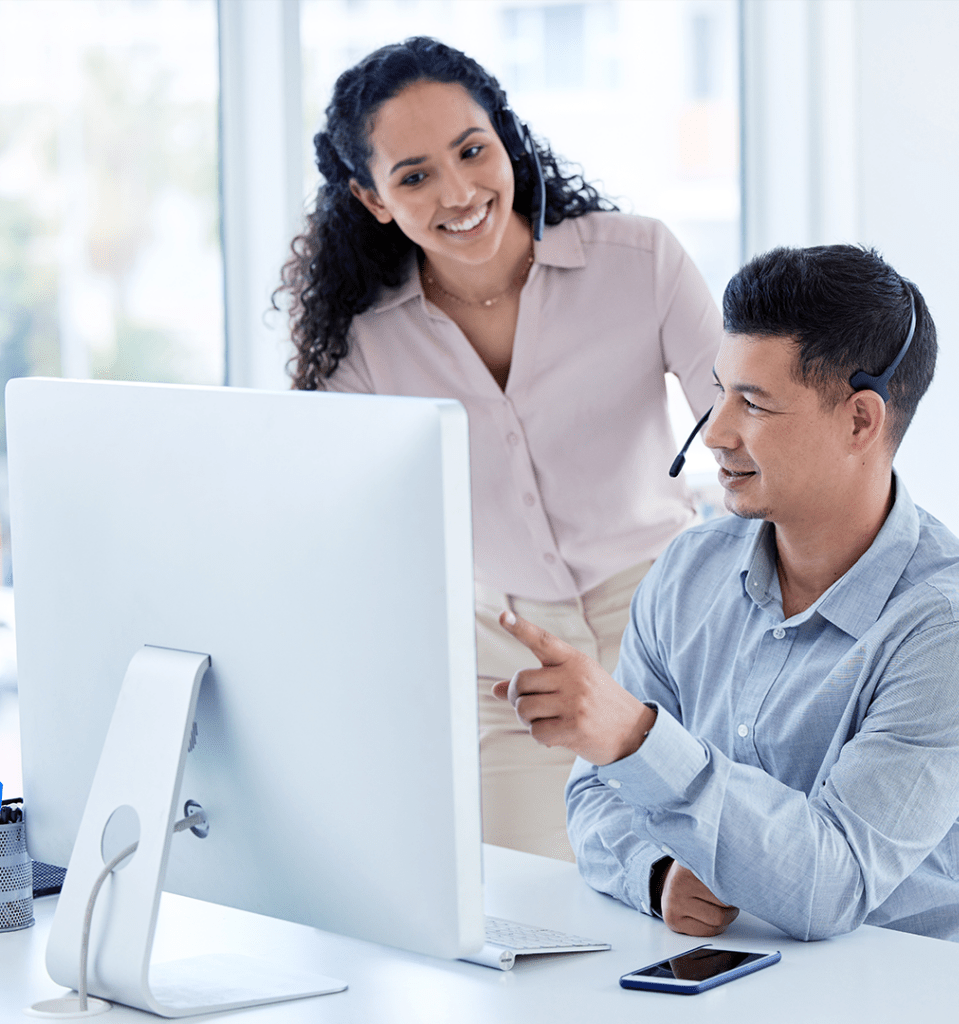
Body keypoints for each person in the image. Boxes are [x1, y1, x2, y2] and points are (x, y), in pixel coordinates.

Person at [275, 37, 722, 861]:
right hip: (506, 669)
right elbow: (341, 531)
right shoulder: (365, 349)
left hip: (670, 630)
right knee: (527, 912)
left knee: (699, 889)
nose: (459, 192)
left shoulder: (641, 261)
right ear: (372, 199)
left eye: (472, 150)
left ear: (505, 139)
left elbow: (744, 430)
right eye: (413, 176)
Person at [493, 244, 959, 945]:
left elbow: (830, 887)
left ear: (859, 421)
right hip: (730, 978)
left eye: (753, 403)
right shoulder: (690, 569)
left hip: (900, 991)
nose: (716, 434)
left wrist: (638, 738)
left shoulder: (950, 629)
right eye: (718, 391)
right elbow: (597, 792)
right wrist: (658, 871)